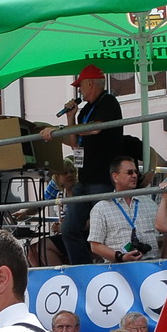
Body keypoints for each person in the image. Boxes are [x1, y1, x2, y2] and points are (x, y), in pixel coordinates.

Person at [40, 64, 124, 264]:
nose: (80, 91)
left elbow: (95, 129)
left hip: (101, 177)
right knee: (69, 229)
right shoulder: (85, 110)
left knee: (103, 228)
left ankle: (109, 266)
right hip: (84, 178)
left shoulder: (109, 101)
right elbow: (74, 143)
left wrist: (59, 129)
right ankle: (83, 267)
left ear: (90, 83)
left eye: (81, 86)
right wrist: (70, 117)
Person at [88, 155, 158, 262]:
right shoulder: (101, 208)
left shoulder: (150, 203)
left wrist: (164, 259)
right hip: (118, 270)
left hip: (151, 266)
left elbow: (166, 235)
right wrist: (120, 257)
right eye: (129, 172)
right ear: (115, 177)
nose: (134, 175)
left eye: (136, 172)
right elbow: (95, 245)